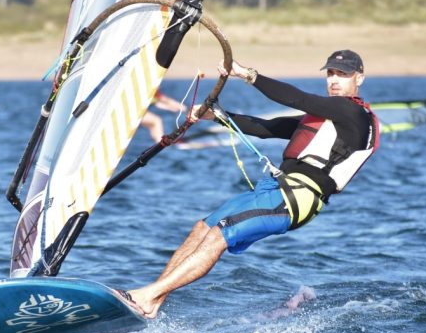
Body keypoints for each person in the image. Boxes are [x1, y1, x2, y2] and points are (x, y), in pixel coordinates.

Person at [124, 50, 380, 318]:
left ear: (359, 78)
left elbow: (298, 98)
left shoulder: (351, 112)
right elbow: (266, 128)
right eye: (330, 73)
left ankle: (145, 297)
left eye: (343, 74)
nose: (334, 80)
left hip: (297, 198)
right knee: (203, 227)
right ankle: (152, 301)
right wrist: (219, 116)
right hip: (274, 189)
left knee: (220, 234)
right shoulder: (328, 118)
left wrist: (247, 74)